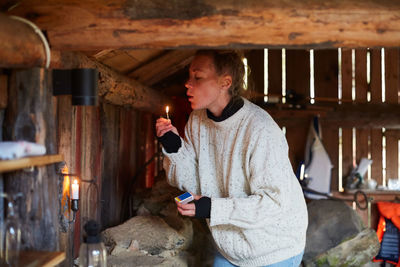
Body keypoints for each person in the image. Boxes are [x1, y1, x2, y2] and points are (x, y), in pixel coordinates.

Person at [155, 50, 308, 267]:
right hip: (230, 247)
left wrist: (212, 208)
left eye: (197, 77)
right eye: (189, 76)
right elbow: (192, 181)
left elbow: (274, 204)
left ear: (225, 82)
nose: (188, 84)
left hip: (274, 247)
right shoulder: (197, 121)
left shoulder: (259, 129)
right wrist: (173, 145)